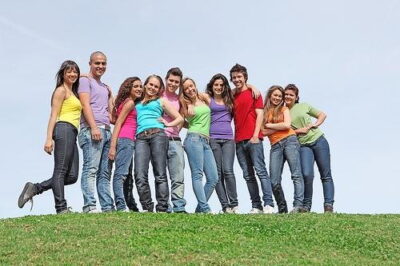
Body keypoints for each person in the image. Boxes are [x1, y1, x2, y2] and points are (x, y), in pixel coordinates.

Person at [18, 60, 81, 214]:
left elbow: (81, 76)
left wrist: (82, 74)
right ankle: (61, 208)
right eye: (69, 72)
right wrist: (48, 138)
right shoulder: (61, 91)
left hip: (73, 132)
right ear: (63, 74)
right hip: (63, 129)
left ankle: (35, 188)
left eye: (75, 72)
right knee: (60, 171)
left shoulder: (73, 91)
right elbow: (53, 115)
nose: (73, 74)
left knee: (72, 176)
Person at [229, 63, 275, 214]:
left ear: (245, 77)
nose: (237, 79)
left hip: (253, 139)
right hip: (238, 140)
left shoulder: (254, 93)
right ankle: (256, 206)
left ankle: (269, 204)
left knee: (260, 171)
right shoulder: (232, 95)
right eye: (234, 77)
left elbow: (260, 114)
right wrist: (248, 85)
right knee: (248, 175)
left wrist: (256, 135)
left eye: (239, 77)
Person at [134, 75, 183, 212]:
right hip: (141, 138)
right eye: (150, 84)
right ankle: (147, 207)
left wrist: (167, 124)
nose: (152, 88)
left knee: (160, 173)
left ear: (159, 89)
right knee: (139, 174)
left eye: (156, 86)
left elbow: (179, 118)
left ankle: (162, 207)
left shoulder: (161, 101)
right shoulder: (137, 102)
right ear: (145, 84)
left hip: (158, 135)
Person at [284, 84, 335, 213]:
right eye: (286, 94)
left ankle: (328, 205)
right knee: (307, 175)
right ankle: (306, 206)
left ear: (296, 97)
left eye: (291, 95)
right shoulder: (283, 112)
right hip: (303, 145)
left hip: (319, 141)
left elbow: (322, 114)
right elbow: (284, 131)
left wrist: (315, 124)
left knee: (326, 175)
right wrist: (298, 132)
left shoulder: (303, 106)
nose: (288, 96)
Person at [78, 51, 115, 213]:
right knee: (91, 169)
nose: (101, 66)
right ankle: (90, 205)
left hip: (107, 130)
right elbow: (85, 104)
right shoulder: (85, 80)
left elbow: (112, 114)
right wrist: (93, 127)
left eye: (103, 63)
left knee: (105, 173)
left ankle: (107, 207)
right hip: (92, 129)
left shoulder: (106, 87)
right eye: (97, 63)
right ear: (90, 63)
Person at [262, 85, 304, 213]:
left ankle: (297, 205)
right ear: (270, 95)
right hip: (275, 146)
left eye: (280, 96)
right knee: (274, 180)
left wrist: (270, 125)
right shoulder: (264, 112)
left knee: (296, 174)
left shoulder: (284, 108)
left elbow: (287, 125)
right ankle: (282, 207)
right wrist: (277, 127)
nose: (277, 98)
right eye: (275, 95)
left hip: (290, 141)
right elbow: (263, 131)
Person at [179, 77, 219, 213]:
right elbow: (181, 120)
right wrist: (188, 106)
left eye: (191, 86)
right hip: (193, 139)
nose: (190, 90)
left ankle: (199, 210)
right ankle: (205, 209)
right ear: (183, 92)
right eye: (186, 89)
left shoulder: (203, 99)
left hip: (206, 141)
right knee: (197, 175)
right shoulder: (185, 104)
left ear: (195, 85)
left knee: (213, 178)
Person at [205, 74, 239, 213]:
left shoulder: (230, 98)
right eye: (216, 85)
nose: (218, 87)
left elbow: (242, 87)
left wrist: (252, 86)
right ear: (212, 86)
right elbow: (192, 93)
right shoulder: (207, 98)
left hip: (228, 139)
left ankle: (234, 204)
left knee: (228, 171)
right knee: (217, 174)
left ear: (225, 86)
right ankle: (225, 206)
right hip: (213, 138)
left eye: (221, 85)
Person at [108, 77, 143, 211]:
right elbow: (118, 123)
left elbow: (114, 118)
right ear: (129, 88)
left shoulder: (124, 102)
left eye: (140, 86)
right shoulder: (129, 103)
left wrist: (110, 96)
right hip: (125, 140)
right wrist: (112, 146)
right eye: (136, 86)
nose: (139, 89)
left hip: (127, 141)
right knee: (120, 175)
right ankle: (121, 206)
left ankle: (132, 207)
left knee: (127, 176)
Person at [163, 67, 187, 213]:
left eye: (176, 82)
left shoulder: (180, 99)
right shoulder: (158, 95)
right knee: (161, 175)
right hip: (159, 139)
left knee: (178, 175)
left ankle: (179, 207)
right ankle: (165, 206)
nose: (173, 84)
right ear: (166, 79)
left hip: (175, 140)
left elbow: (183, 119)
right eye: (171, 80)